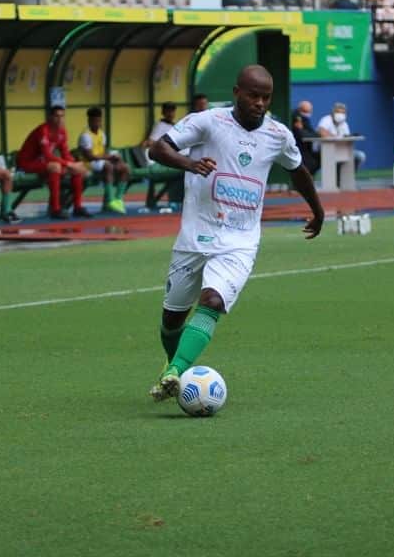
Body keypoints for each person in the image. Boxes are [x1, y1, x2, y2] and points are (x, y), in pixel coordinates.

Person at [146, 65, 325, 401]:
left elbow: (297, 170)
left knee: (212, 301)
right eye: (253, 95)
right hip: (195, 236)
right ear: (236, 92)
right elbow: (158, 149)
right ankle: (175, 366)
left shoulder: (278, 135)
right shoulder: (208, 121)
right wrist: (190, 164)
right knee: (172, 318)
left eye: (266, 97)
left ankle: (173, 372)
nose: (260, 102)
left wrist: (318, 209)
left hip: (239, 242)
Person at [16, 105, 91, 220]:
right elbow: (48, 155)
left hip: (42, 164)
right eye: (57, 116)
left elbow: (65, 153)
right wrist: (69, 164)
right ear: (50, 117)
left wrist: (75, 165)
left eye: (62, 116)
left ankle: (77, 207)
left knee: (75, 170)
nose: (60, 119)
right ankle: (55, 209)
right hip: (26, 164)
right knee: (55, 167)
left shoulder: (62, 132)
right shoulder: (43, 130)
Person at [76, 106, 129, 214]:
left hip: (99, 161)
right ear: (89, 121)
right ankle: (110, 200)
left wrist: (114, 157)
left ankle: (118, 199)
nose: (97, 123)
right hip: (88, 164)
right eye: (95, 121)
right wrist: (107, 157)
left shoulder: (102, 134)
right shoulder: (85, 135)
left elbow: (104, 152)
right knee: (108, 166)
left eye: (99, 120)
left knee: (124, 167)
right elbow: (89, 156)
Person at [316, 102, 366, 170]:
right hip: (325, 150)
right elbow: (321, 131)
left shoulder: (344, 124)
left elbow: (347, 138)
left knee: (360, 156)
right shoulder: (326, 119)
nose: (340, 114)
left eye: (343, 113)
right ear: (333, 112)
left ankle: (346, 176)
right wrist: (335, 136)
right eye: (338, 112)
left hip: (341, 150)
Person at [290, 100, 320, 174]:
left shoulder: (304, 119)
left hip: (306, 147)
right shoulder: (295, 117)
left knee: (320, 156)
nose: (307, 114)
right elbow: (301, 134)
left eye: (309, 111)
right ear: (300, 109)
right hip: (298, 148)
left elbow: (313, 133)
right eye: (305, 111)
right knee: (312, 161)